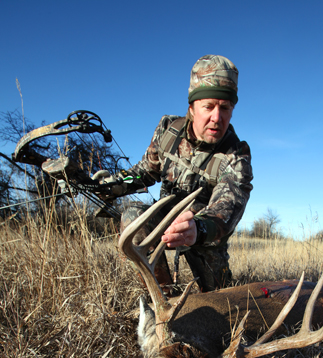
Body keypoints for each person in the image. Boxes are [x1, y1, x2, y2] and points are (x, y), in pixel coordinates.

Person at [100, 55, 253, 293]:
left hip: (203, 235)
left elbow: (230, 205)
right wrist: (114, 184)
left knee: (221, 301)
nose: (217, 117)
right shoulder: (168, 130)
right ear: (192, 107)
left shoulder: (236, 154)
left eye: (225, 108)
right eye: (209, 106)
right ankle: (163, 298)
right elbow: (143, 173)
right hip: (165, 221)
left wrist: (199, 228)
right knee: (133, 216)